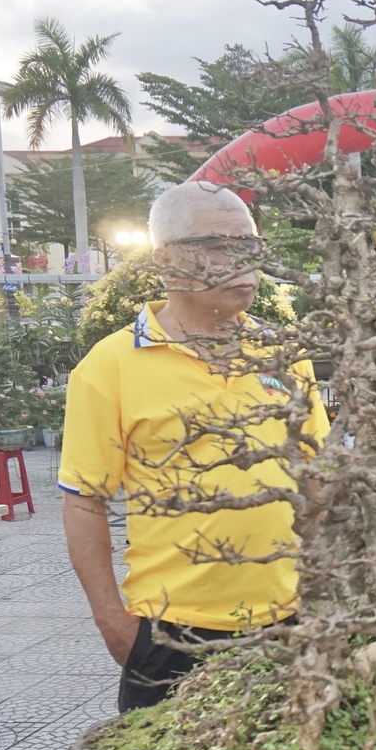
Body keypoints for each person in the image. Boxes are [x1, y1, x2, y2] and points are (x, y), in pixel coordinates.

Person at [58, 181, 327, 713]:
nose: (242, 264)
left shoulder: (284, 356)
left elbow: (314, 479)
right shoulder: (110, 366)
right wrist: (114, 623)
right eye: (219, 247)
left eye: (250, 248)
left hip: (289, 622)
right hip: (170, 633)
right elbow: (83, 501)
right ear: (165, 258)